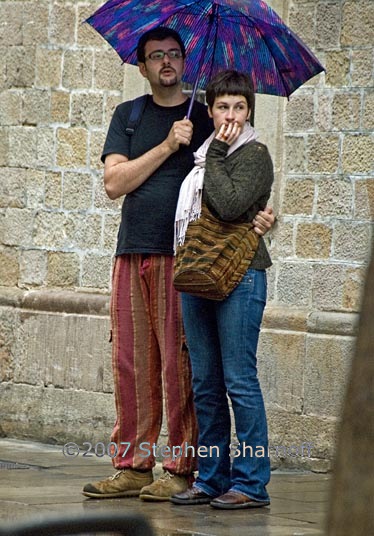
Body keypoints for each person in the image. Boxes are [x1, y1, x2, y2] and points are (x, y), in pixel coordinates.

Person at [82, 28, 275, 502]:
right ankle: (133, 465)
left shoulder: (214, 122)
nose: (165, 62)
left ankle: (186, 467)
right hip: (133, 249)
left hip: (190, 260)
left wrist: (269, 216)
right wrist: (169, 145)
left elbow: (243, 186)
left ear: (185, 61)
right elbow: (114, 183)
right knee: (133, 363)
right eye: (155, 56)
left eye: (173, 54)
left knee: (182, 367)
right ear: (142, 66)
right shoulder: (128, 116)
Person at [171, 70, 273, 509]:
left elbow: (230, 205)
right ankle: (212, 477)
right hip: (198, 274)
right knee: (206, 383)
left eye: (239, 107)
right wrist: (209, 153)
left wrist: (213, 152)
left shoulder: (254, 155)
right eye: (223, 106)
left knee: (239, 381)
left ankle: (251, 483)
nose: (231, 115)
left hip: (241, 274)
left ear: (249, 110)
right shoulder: (201, 158)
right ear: (210, 110)